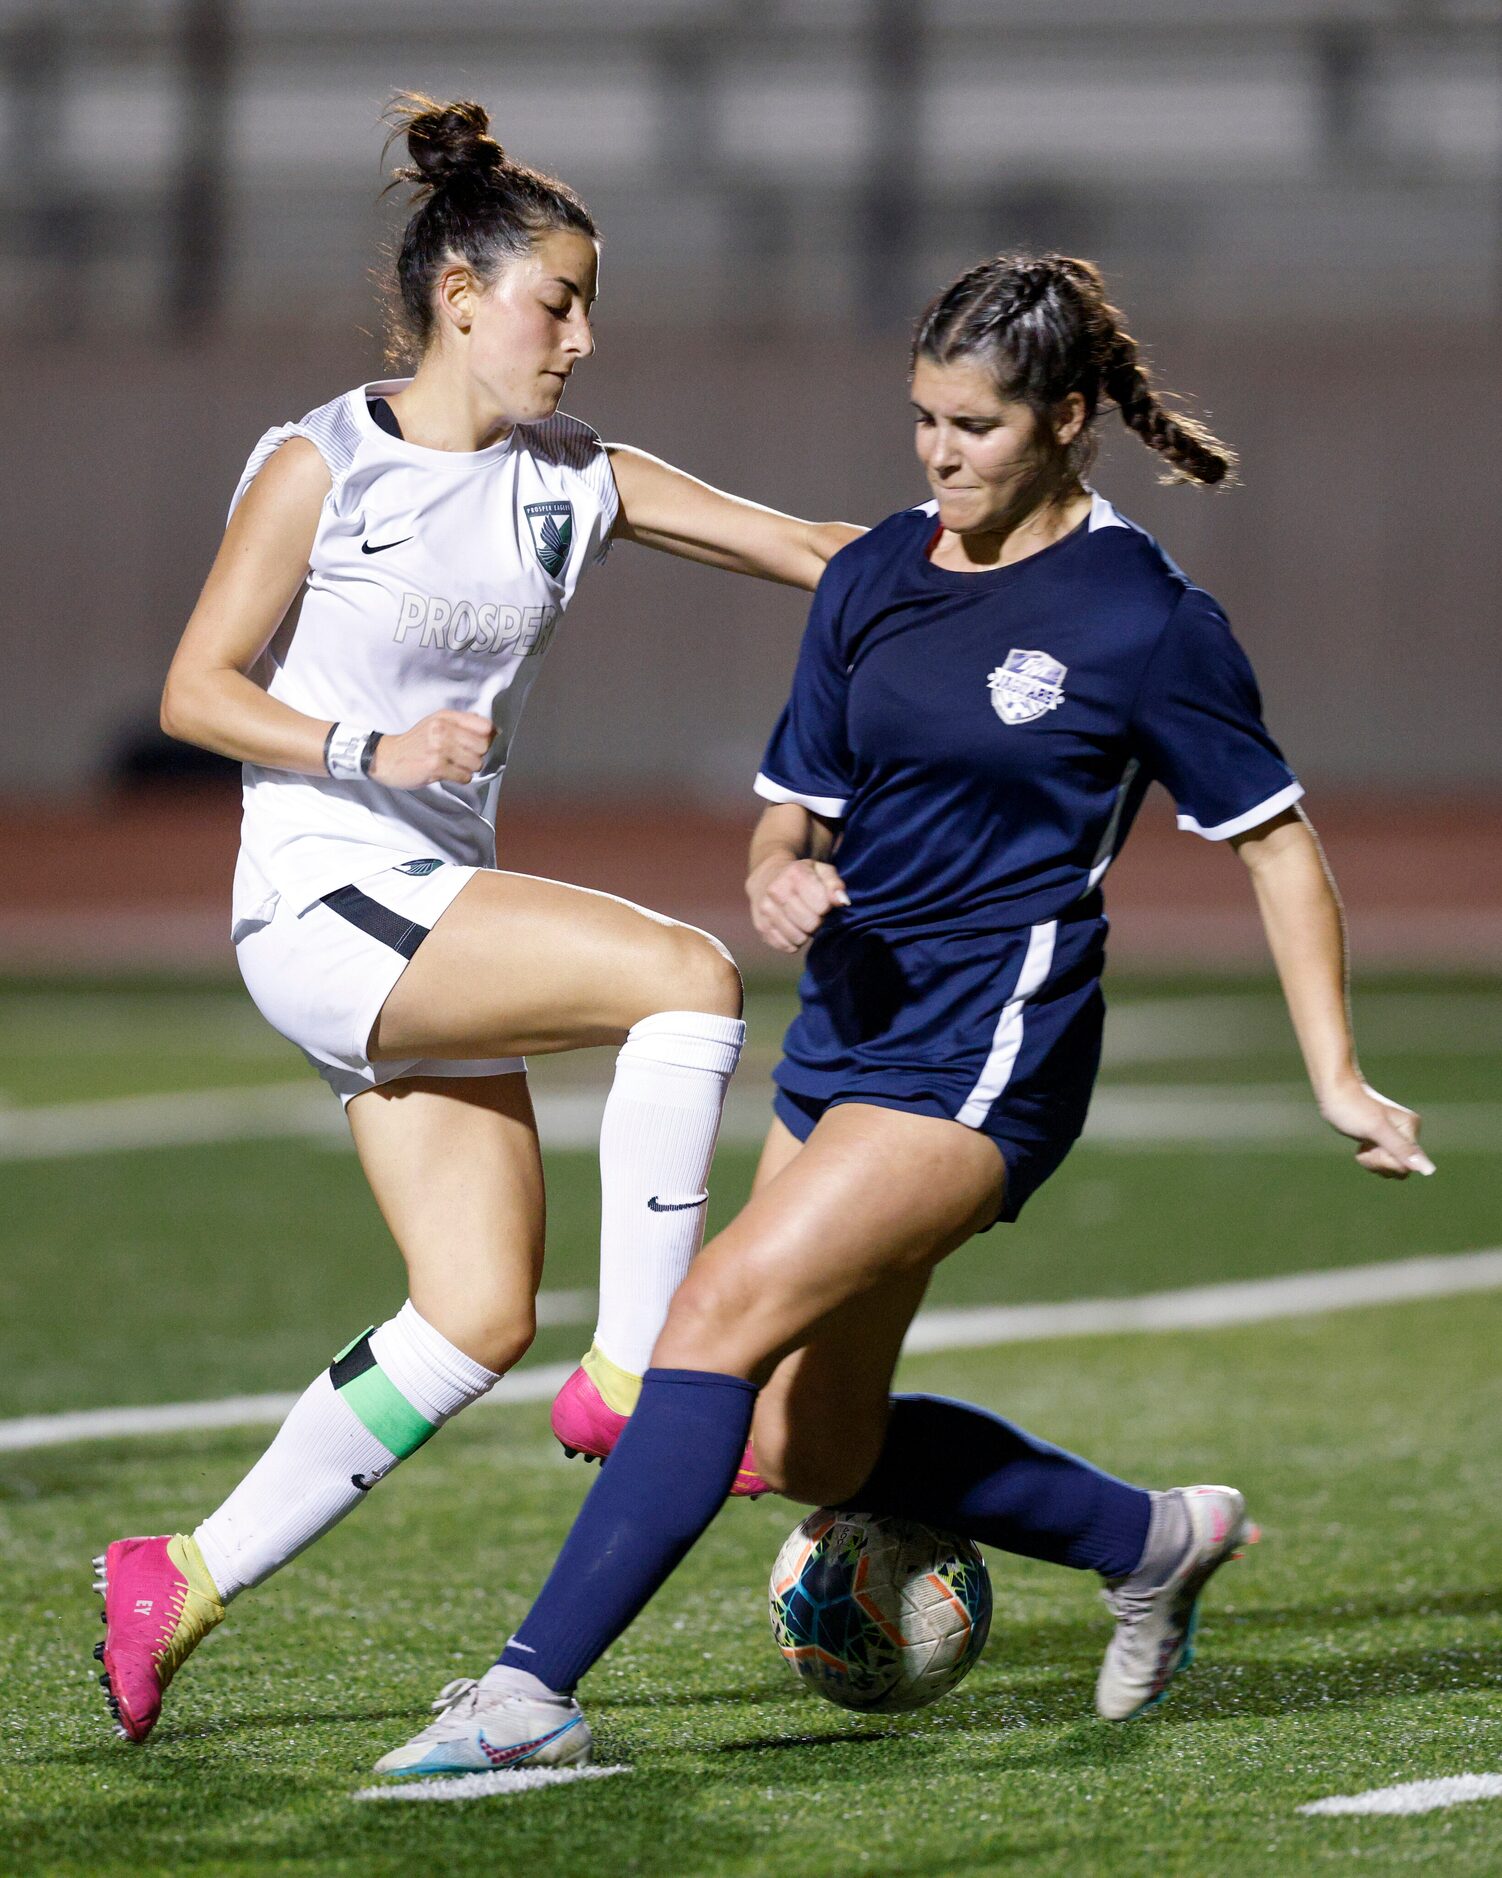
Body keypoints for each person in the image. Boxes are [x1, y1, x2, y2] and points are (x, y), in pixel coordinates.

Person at [373, 251, 1433, 1779]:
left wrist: (1333, 1068)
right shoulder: (875, 571)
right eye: (922, 420)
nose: (939, 456)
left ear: (1066, 419)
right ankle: (1149, 1537)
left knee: (711, 1313)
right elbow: (786, 815)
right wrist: (780, 875)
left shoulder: (1141, 616)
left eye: (976, 427)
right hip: (848, 1031)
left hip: (988, 1052)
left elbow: (1274, 842)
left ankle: (524, 1690)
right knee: (807, 1447)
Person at [92, 94, 863, 1746]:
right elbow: (192, 690)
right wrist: (373, 746)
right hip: (323, 894)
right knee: (682, 976)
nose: (581, 338)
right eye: (557, 300)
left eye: (587, 307)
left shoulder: (576, 477)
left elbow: (806, 545)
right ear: (460, 293)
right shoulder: (328, 461)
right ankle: (647, 1372)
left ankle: (181, 1571)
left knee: (470, 1315)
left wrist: (1003, 563)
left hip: (418, 911)